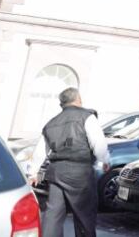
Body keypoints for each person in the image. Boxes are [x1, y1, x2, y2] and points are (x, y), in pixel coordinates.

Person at [28, 87, 110, 237]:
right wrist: (105, 160)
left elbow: (40, 151)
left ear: (62, 104)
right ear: (78, 99)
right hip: (80, 173)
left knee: (53, 215)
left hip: (56, 173)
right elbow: (98, 143)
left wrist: (32, 173)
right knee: (84, 215)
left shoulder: (51, 123)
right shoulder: (87, 117)